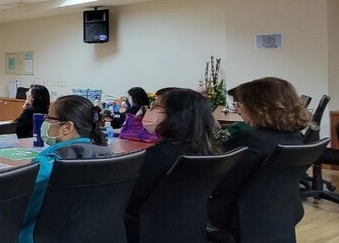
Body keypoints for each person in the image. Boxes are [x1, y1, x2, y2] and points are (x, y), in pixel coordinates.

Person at [19, 95, 111, 243]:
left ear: (67, 127)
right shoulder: (109, 158)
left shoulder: (46, 165)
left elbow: (20, 211)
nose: (45, 122)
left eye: (49, 118)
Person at [208, 77, 311, 229]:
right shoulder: (296, 137)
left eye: (240, 104)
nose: (238, 109)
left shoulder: (249, 140)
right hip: (284, 211)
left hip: (238, 215)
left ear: (258, 106)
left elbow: (216, 181)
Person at [126, 89, 220, 229]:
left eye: (156, 107)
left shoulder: (158, 156)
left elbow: (131, 198)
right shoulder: (210, 151)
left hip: (147, 229)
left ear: (176, 115)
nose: (150, 111)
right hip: (189, 230)